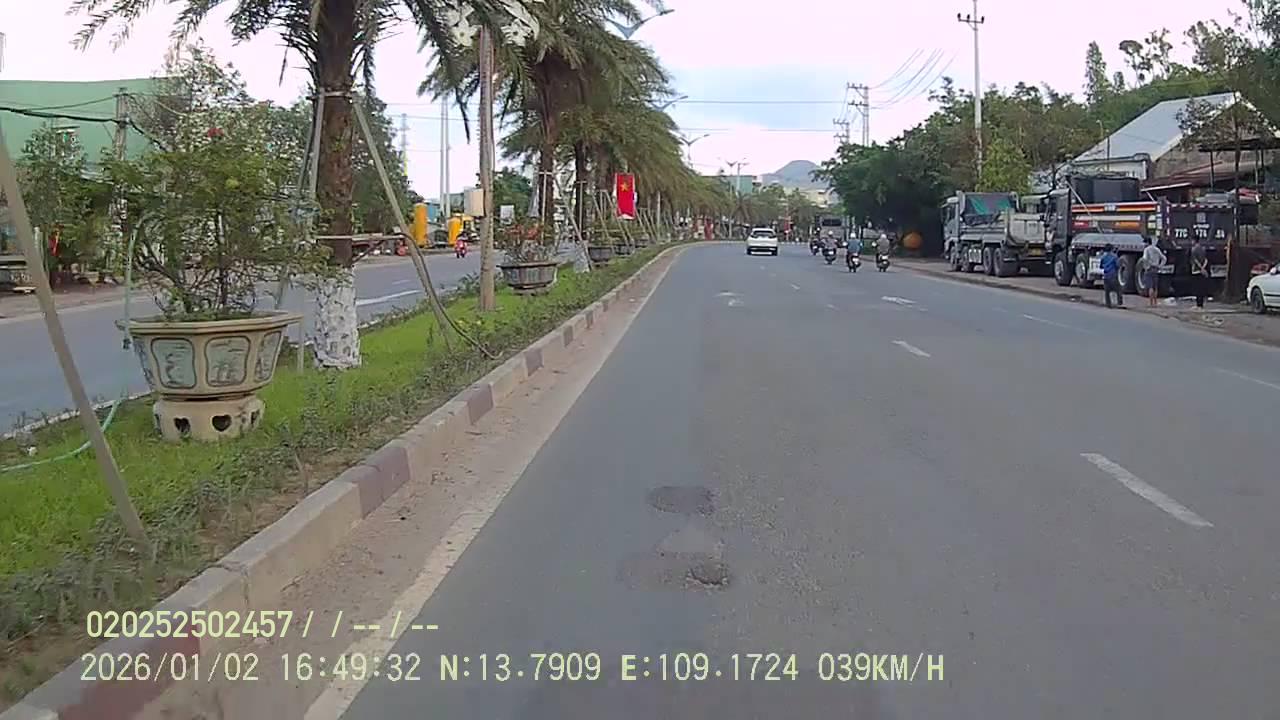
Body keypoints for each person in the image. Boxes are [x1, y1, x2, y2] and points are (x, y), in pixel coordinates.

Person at [1140, 237, 1166, 307]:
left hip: (1149, 269)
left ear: (1147, 243)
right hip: (1156, 269)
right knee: (1155, 287)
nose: (1144, 244)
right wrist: (1160, 266)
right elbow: (1164, 258)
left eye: (1144, 243)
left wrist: (1145, 265)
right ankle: (1155, 303)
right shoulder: (1156, 249)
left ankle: (1151, 303)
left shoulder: (1146, 249)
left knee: (1150, 287)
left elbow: (1145, 258)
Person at [1099, 244, 1123, 308]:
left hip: (1106, 276)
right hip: (1113, 275)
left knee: (1107, 292)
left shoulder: (1103, 257)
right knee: (1118, 290)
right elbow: (1117, 265)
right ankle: (1119, 302)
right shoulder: (1114, 257)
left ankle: (1108, 304)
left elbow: (1101, 266)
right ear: (1112, 249)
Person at [1190, 237, 1210, 308]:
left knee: (1197, 288)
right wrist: (1203, 268)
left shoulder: (1193, 249)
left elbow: (1195, 260)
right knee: (1201, 288)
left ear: (1194, 241)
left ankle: (1198, 304)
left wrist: (1200, 268)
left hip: (1196, 271)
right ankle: (1201, 304)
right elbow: (1206, 260)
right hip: (1202, 271)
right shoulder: (1203, 249)